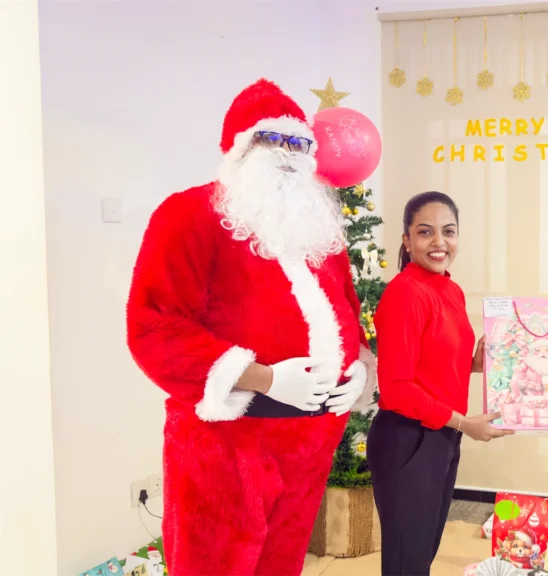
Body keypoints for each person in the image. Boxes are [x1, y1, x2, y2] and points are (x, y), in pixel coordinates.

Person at [126, 78, 375, 575]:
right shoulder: (189, 214)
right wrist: (265, 377)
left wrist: (364, 368)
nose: (287, 153)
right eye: (271, 139)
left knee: (281, 565)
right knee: (214, 563)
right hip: (227, 447)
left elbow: (349, 317)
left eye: (298, 142)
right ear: (239, 147)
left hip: (309, 443)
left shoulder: (319, 233)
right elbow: (154, 328)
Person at [367, 191, 513, 576]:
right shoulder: (404, 293)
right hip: (407, 439)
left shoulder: (450, 289)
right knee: (406, 562)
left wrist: (475, 364)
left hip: (442, 436)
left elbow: (433, 365)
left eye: (448, 231)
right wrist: (465, 423)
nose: (439, 242)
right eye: (425, 232)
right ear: (407, 240)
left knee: (422, 554)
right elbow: (397, 388)